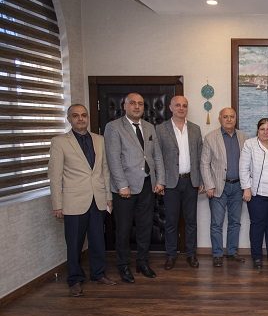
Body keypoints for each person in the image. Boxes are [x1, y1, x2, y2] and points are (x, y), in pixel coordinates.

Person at [48, 104, 116, 296]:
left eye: (84, 115)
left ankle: (98, 274)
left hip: (98, 199)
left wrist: (108, 197)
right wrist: (57, 204)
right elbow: (55, 176)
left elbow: (104, 170)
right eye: (76, 115)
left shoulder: (99, 140)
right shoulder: (60, 142)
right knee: (74, 243)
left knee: (98, 240)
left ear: (88, 117)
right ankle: (75, 280)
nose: (80, 119)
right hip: (73, 201)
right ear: (69, 119)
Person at [105, 92, 165, 283]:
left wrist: (160, 180)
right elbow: (113, 159)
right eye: (133, 103)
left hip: (147, 185)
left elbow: (156, 156)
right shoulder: (113, 127)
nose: (137, 106)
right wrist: (122, 185)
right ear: (125, 106)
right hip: (125, 189)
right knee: (123, 230)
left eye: (140, 103)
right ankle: (123, 266)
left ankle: (142, 262)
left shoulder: (149, 127)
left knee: (145, 227)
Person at [156, 96, 204, 270]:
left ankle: (191, 254)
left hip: (191, 181)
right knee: (171, 222)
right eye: (177, 105)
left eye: (184, 105)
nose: (181, 108)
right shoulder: (160, 129)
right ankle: (171, 255)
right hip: (171, 183)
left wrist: (201, 180)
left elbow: (200, 156)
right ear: (170, 107)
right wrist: (160, 181)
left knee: (191, 221)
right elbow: (158, 157)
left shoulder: (195, 129)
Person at [201, 107, 248, 267]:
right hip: (218, 186)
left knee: (235, 222)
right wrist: (209, 185)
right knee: (217, 223)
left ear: (235, 118)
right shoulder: (210, 137)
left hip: (238, 186)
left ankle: (232, 252)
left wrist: (247, 186)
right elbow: (204, 164)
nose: (229, 119)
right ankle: (217, 254)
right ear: (220, 119)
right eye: (225, 117)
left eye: (232, 117)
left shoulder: (243, 137)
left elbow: (248, 163)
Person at [239, 118, 268, 269]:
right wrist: (246, 188)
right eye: (262, 129)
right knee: (257, 226)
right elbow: (243, 168)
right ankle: (257, 256)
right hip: (256, 193)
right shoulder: (249, 144)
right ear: (257, 131)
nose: (265, 132)